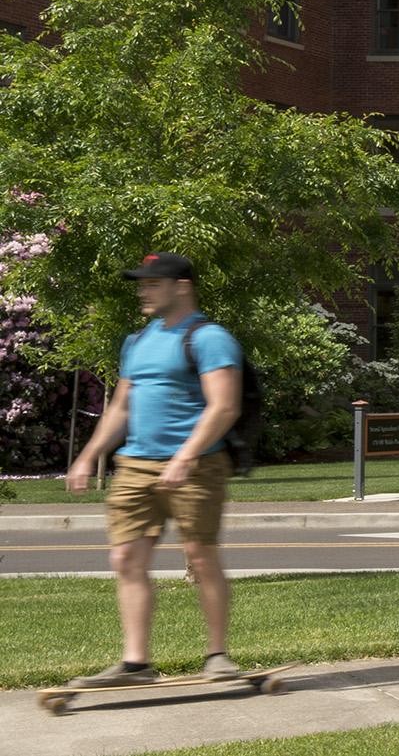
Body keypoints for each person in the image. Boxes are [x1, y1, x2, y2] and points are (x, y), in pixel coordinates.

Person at [61, 253, 246, 688]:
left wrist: (185, 455)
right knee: (125, 558)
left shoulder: (210, 338)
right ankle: (134, 665)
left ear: (181, 286)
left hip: (197, 466)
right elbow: (121, 406)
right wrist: (89, 455)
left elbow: (224, 406)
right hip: (135, 466)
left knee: (200, 557)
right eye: (141, 285)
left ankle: (218, 655)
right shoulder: (138, 340)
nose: (143, 291)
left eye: (152, 284)